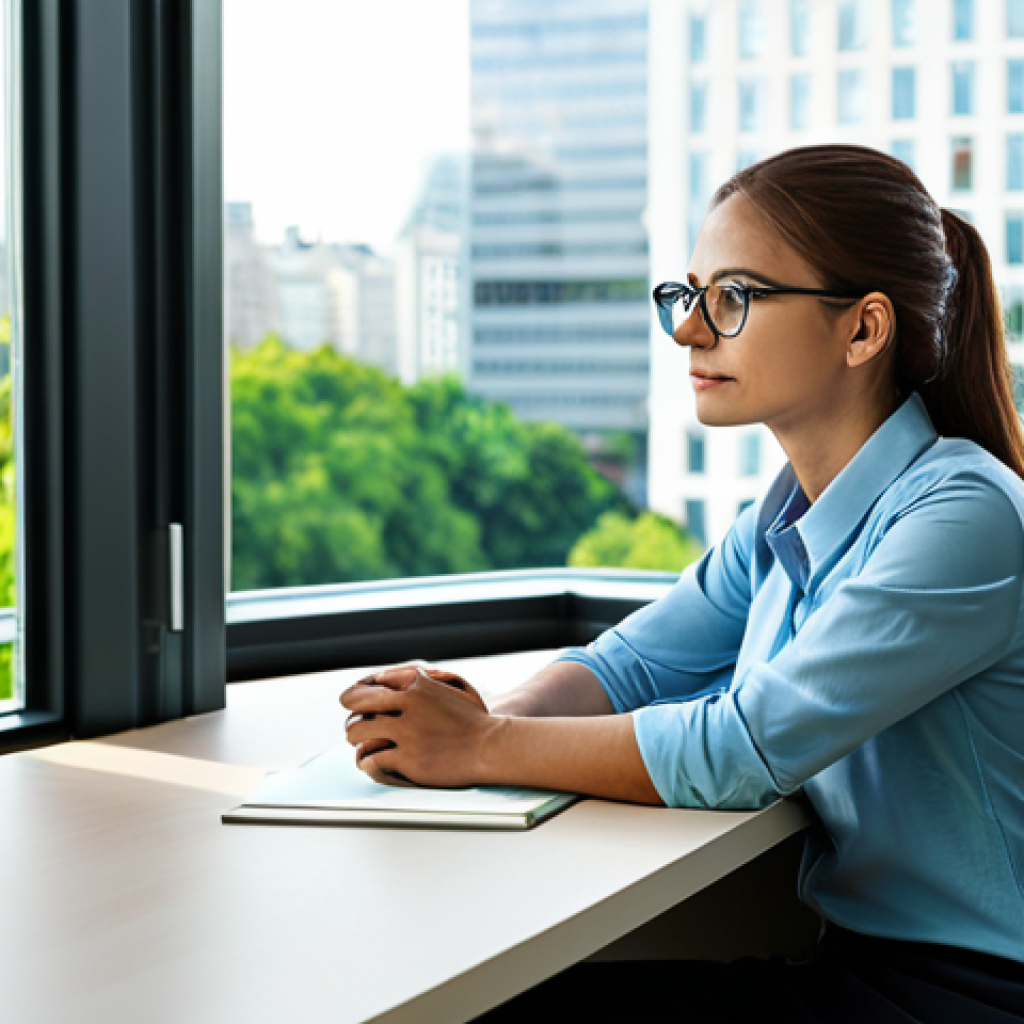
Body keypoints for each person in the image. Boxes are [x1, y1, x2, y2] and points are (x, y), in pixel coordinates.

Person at [340, 145, 1024, 1022]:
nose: (691, 331)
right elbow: (631, 666)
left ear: (863, 329)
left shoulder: (964, 515)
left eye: (734, 299)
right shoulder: (785, 514)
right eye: (687, 296)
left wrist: (479, 747)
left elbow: (743, 749)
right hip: (863, 964)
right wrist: (479, 715)